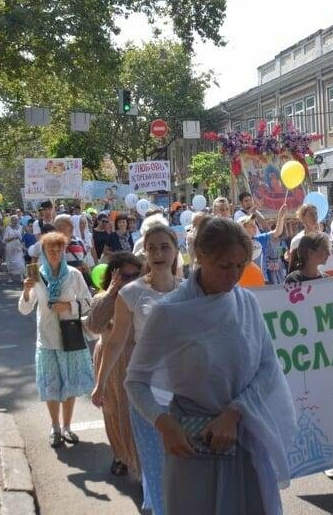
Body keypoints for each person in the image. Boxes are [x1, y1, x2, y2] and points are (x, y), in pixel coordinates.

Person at [125, 217, 297, 515]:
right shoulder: (169, 313)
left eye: (240, 265)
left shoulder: (247, 303)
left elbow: (268, 368)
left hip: (243, 438)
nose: (234, 275)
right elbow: (136, 380)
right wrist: (163, 424)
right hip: (191, 445)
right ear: (200, 257)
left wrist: (234, 413)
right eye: (224, 265)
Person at [92, 225, 181, 515]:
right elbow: (115, 342)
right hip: (146, 395)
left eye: (164, 247)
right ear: (145, 252)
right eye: (152, 247)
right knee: (154, 470)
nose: (158, 253)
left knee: (184, 468)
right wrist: (101, 383)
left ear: (175, 250)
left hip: (185, 394)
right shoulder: (131, 293)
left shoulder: (190, 290)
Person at [19, 232, 95, 447]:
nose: (55, 254)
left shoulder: (73, 275)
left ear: (63, 251)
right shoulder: (37, 276)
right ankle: (55, 427)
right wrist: (26, 292)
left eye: (59, 250)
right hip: (46, 339)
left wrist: (68, 306)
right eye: (50, 250)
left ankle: (67, 427)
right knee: (51, 385)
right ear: (43, 252)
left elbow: (88, 302)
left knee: (69, 384)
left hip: (70, 336)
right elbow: (25, 309)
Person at [84, 252, 144, 478]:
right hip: (110, 362)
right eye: (125, 276)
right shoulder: (103, 298)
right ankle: (120, 455)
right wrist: (111, 293)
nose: (130, 281)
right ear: (114, 275)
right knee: (113, 412)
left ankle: (139, 462)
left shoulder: (144, 295)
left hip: (136, 359)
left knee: (134, 414)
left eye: (135, 275)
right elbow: (93, 326)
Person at [240, 205, 288, 285]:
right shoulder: (235, 247)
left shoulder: (260, 240)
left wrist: (281, 217)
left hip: (262, 282)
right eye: (251, 225)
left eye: (255, 225)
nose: (254, 227)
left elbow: (277, 232)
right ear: (242, 228)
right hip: (245, 284)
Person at [2, 216, 25, 284]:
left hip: (18, 247)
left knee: (20, 261)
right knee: (10, 262)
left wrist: (23, 246)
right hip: (10, 247)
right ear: (11, 221)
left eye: (16, 220)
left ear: (18, 220)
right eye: (13, 220)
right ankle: (10, 277)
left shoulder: (21, 227)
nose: (14, 221)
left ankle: (21, 277)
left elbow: (22, 238)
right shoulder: (8, 228)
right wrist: (13, 237)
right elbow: (4, 239)